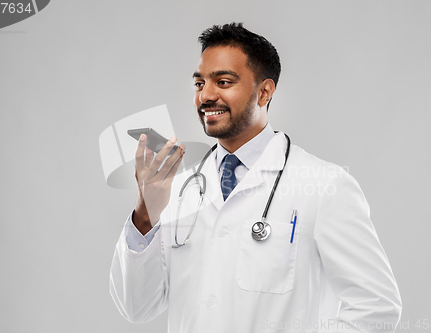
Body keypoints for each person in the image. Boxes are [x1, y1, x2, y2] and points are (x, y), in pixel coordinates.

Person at [110, 22, 402, 332]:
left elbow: (377, 308)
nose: (205, 96)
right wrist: (145, 214)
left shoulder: (324, 186)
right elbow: (136, 307)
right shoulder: (179, 188)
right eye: (199, 84)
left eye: (223, 82)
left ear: (264, 92)